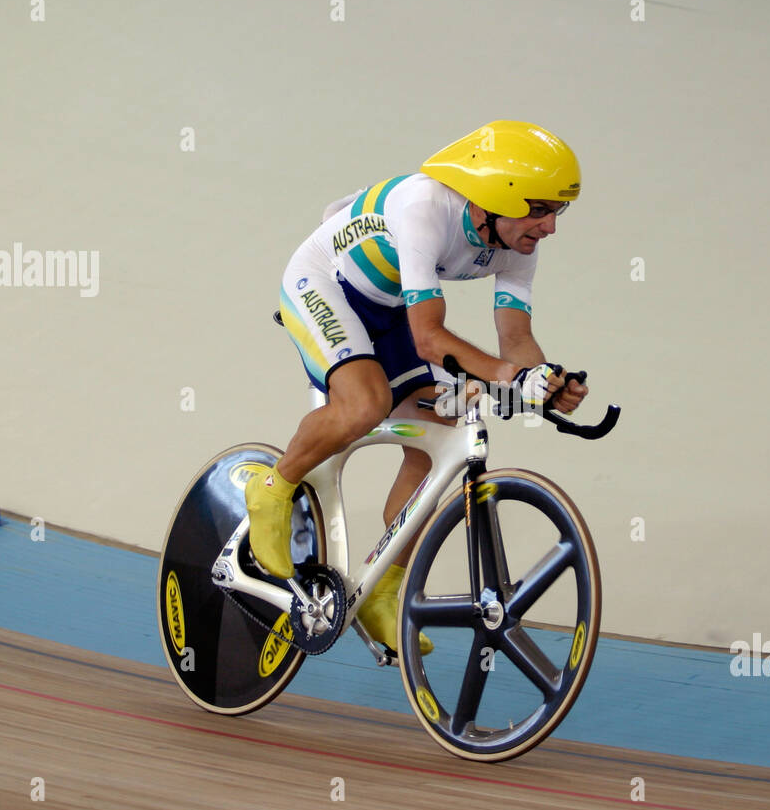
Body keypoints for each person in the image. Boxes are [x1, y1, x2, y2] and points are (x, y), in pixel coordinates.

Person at [246, 120, 589, 654]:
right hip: (325, 285)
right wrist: (504, 376)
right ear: (497, 196)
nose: (550, 228)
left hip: (389, 310)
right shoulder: (425, 207)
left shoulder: (516, 242)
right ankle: (271, 489)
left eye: (558, 212)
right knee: (365, 403)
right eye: (541, 209)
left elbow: (515, 337)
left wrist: (543, 381)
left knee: (441, 431)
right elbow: (429, 339)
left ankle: (383, 585)